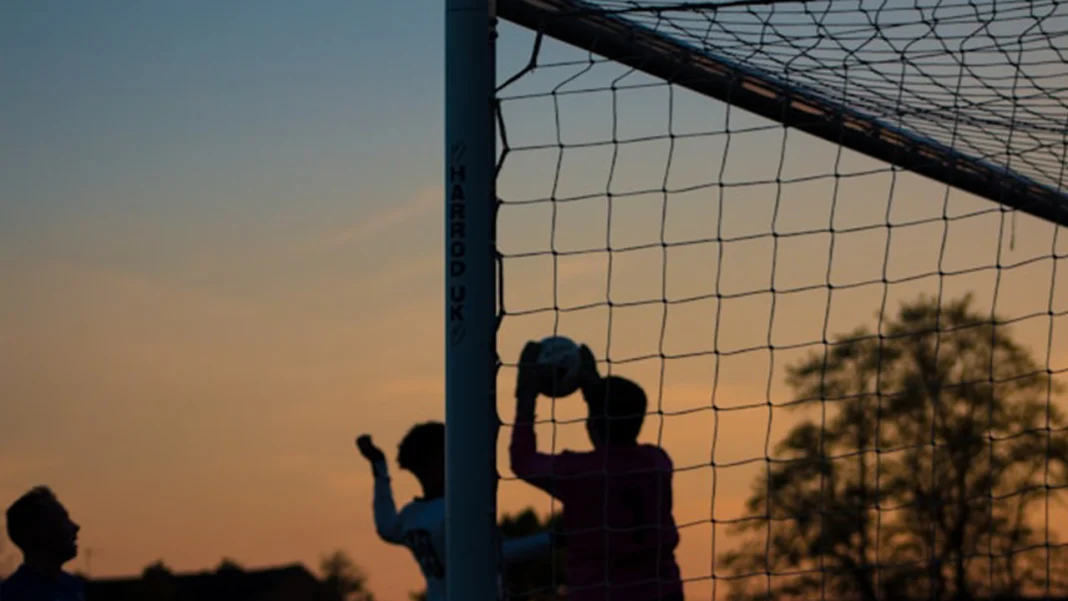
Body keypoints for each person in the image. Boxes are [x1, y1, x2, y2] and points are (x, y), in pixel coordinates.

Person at [509, 342, 683, 601]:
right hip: (662, 592)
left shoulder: (579, 473)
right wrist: (594, 387)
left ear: (591, 423)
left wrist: (526, 394)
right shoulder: (657, 463)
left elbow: (522, 460)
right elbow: (611, 422)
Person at [356, 421, 552, 601]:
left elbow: (385, 526)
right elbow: (495, 555)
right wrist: (556, 538)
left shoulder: (412, 516)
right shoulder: (453, 513)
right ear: (437, 461)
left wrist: (379, 468)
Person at [0, 486, 84, 601]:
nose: (75, 527)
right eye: (62, 519)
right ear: (39, 532)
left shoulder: (73, 586)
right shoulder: (13, 595)